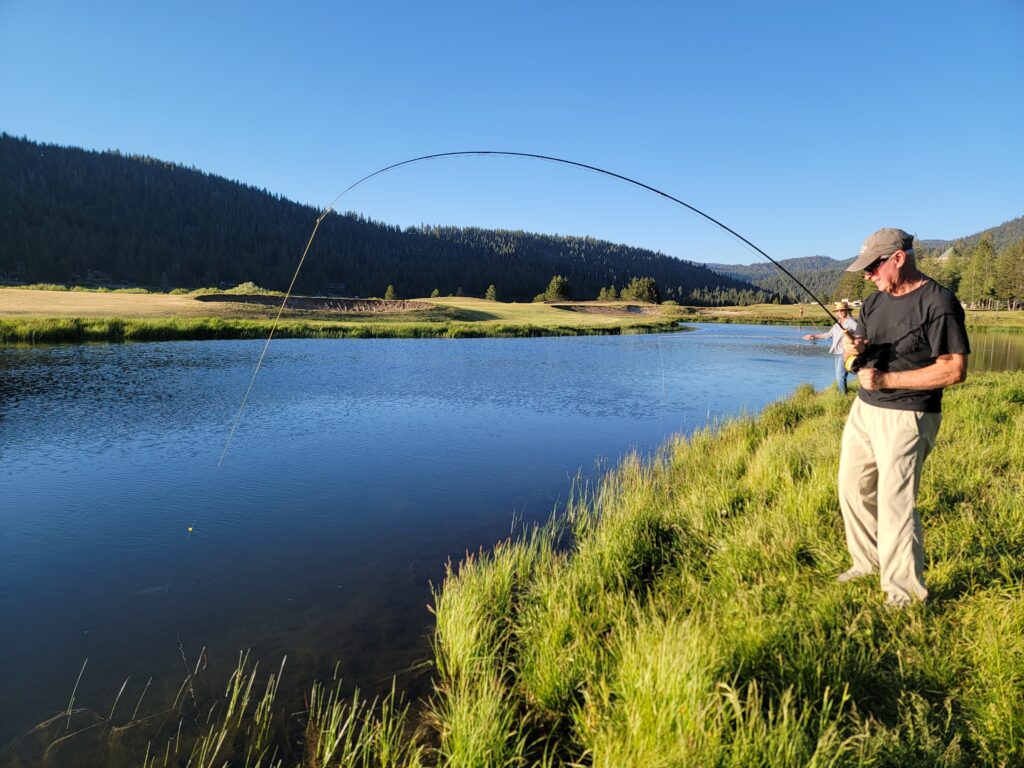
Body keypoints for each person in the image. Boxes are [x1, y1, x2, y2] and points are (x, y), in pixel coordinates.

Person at [836, 227, 970, 607]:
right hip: (864, 408)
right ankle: (866, 562)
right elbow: (862, 345)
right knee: (852, 487)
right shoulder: (875, 300)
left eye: (873, 266)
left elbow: (954, 370)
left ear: (899, 258)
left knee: (895, 503)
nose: (867, 275)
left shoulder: (938, 302)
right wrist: (855, 346)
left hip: (910, 414)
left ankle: (905, 592)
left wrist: (888, 378)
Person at [802, 300, 859, 394]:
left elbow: (861, 333)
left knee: (840, 376)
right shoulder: (838, 323)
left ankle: (842, 397)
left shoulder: (850, 322)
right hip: (837, 353)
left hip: (845, 353)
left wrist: (853, 342)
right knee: (839, 376)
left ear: (847, 311)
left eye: (842, 310)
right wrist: (813, 336)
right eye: (838, 311)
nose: (840, 312)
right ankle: (844, 394)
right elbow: (827, 335)